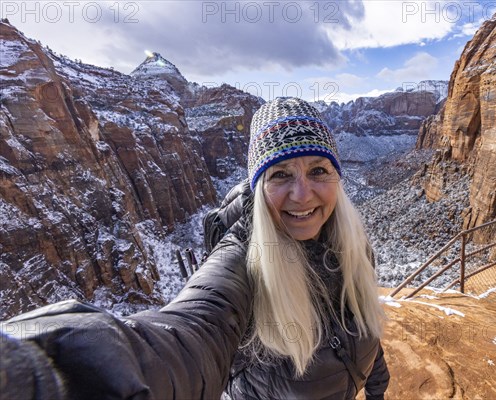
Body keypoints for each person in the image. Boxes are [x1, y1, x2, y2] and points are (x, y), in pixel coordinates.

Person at [0, 97, 389, 399]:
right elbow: (188, 337)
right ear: (257, 186)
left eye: (318, 170)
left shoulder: (352, 244)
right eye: (280, 174)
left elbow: (362, 323)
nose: (302, 195)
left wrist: (376, 390)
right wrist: (60, 368)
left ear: (337, 176)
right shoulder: (242, 262)